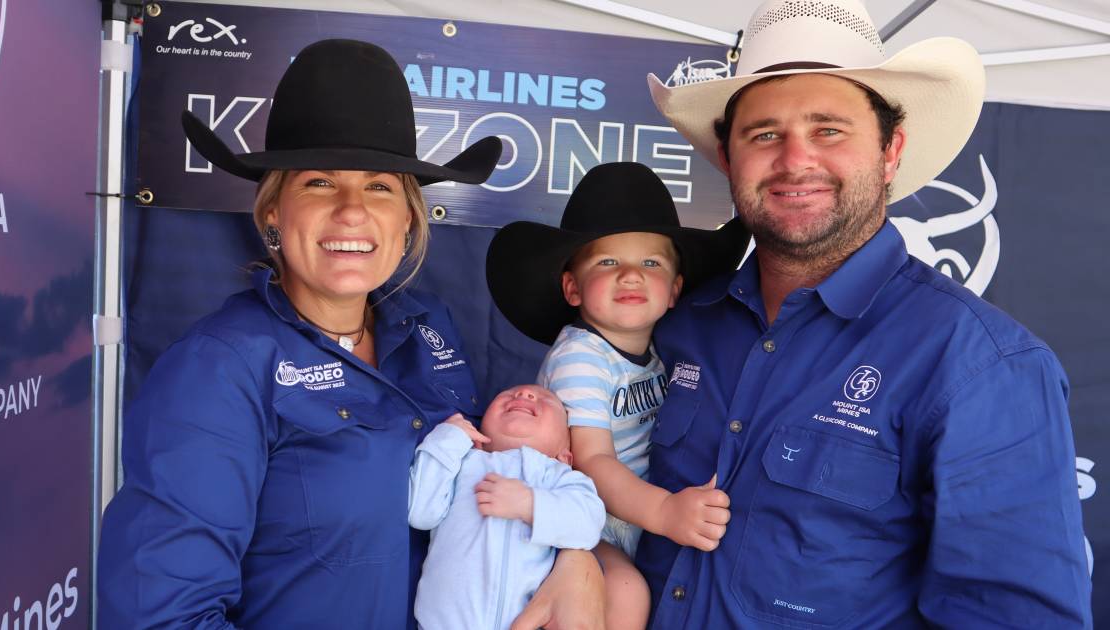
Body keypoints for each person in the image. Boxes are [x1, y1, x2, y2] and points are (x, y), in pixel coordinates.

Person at [97, 39, 605, 629]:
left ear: (409, 217)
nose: (352, 210)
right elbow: (160, 617)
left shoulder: (427, 328)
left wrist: (575, 560)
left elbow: (493, 481)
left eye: (380, 186)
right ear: (272, 213)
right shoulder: (219, 369)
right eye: (318, 182)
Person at [639, 0, 1092, 627]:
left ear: (890, 150)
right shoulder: (681, 324)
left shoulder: (982, 363)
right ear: (726, 157)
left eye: (829, 130)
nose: (795, 160)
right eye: (764, 134)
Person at [486, 162, 750, 630]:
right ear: (572, 287)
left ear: (675, 290)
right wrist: (664, 511)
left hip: (622, 514)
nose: (631, 276)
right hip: (572, 508)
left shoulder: (662, 349)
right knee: (625, 592)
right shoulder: (580, 358)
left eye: (651, 263)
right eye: (608, 262)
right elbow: (592, 462)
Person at [409, 384, 606, 630]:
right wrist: (448, 438)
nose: (523, 394)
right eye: (508, 394)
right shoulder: (463, 463)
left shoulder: (558, 477)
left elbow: (588, 525)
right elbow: (420, 513)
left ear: (564, 456)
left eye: (545, 399)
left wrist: (529, 504)